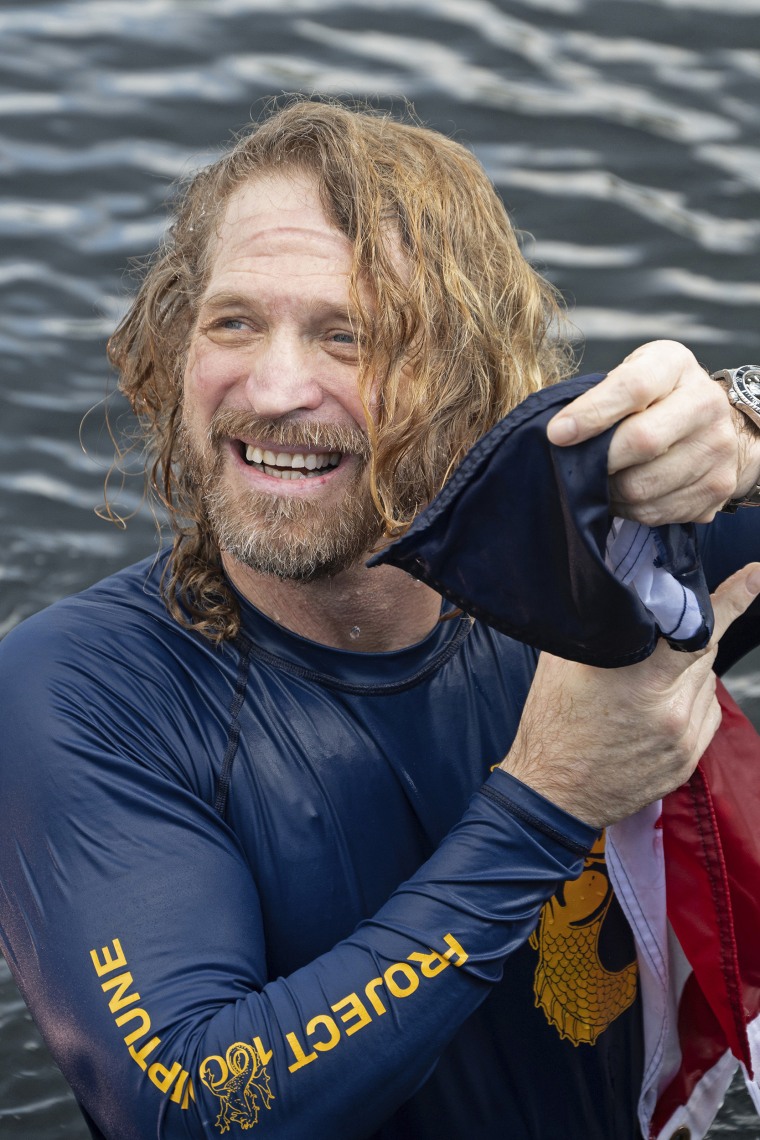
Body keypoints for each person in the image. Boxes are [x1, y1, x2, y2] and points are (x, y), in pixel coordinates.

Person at [1, 96, 759, 1140]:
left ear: (469, 374)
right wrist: (550, 798)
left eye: (349, 335)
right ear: (176, 343)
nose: (274, 387)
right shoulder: (78, 688)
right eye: (233, 321)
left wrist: (745, 428)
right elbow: (186, 1104)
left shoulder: (592, 571)